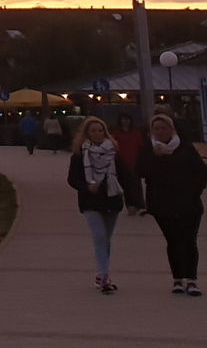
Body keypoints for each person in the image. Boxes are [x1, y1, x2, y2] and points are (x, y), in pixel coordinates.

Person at [137, 112, 207, 296]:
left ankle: (192, 280)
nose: (160, 132)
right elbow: (140, 171)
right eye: (156, 128)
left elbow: (201, 173)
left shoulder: (185, 148)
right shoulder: (148, 149)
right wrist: (154, 157)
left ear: (172, 129)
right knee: (173, 241)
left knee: (189, 241)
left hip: (188, 204)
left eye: (163, 128)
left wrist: (193, 192)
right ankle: (178, 278)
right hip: (162, 204)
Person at [69, 115, 139, 293]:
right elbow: (72, 178)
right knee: (99, 237)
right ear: (87, 134)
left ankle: (101, 274)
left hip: (111, 200)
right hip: (91, 202)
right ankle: (105, 276)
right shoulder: (80, 154)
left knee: (106, 240)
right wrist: (86, 187)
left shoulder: (113, 154)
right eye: (93, 131)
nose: (97, 134)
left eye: (100, 131)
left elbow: (127, 179)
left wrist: (133, 202)